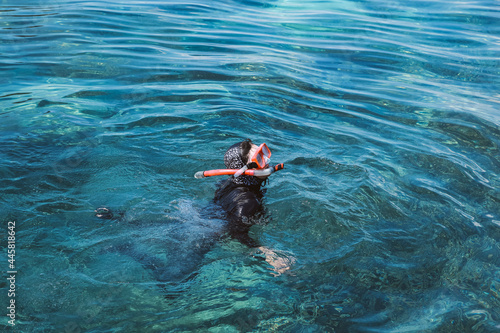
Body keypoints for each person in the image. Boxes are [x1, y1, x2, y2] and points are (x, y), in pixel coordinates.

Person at [213, 139, 294, 275]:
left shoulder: (227, 182)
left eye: (264, 154)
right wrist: (267, 252)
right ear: (246, 170)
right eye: (259, 158)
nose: (267, 162)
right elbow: (235, 232)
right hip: (208, 233)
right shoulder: (247, 203)